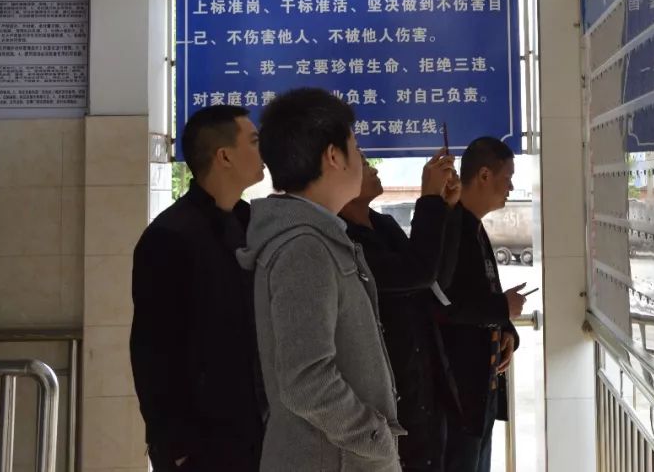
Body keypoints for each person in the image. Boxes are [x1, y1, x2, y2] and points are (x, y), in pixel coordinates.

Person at [238, 88, 402, 472]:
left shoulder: (318, 237)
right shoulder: (304, 248)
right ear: (333, 156)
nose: (360, 158)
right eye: (355, 147)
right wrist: (375, 438)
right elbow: (307, 380)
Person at [130, 105, 266, 472]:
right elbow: (152, 351)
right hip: (201, 447)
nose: (263, 150)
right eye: (254, 141)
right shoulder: (169, 237)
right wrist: (176, 446)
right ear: (224, 156)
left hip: (255, 433)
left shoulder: (250, 224)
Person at [339, 153, 462, 471]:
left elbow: (435, 280)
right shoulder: (343, 241)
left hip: (425, 391)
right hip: (389, 405)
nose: (372, 168)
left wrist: (445, 210)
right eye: (363, 162)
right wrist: (429, 200)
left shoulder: (383, 225)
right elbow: (416, 271)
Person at [440, 137, 530, 472]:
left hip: (482, 391)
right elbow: (445, 304)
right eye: (508, 178)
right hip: (458, 395)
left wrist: (506, 330)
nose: (511, 187)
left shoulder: (475, 228)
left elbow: (484, 294)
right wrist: (502, 309)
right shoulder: (450, 227)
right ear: (484, 175)